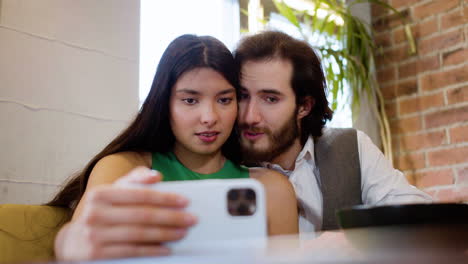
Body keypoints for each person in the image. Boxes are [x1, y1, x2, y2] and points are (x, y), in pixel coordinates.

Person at [48, 34, 298, 260]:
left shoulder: (272, 189)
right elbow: (79, 245)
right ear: (164, 104)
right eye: (190, 100)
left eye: (224, 100)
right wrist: (69, 240)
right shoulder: (125, 170)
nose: (209, 117)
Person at [233, 30, 432, 233]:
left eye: (270, 99)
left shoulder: (350, 148)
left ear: (304, 106)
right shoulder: (222, 167)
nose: (250, 117)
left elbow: (421, 220)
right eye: (242, 96)